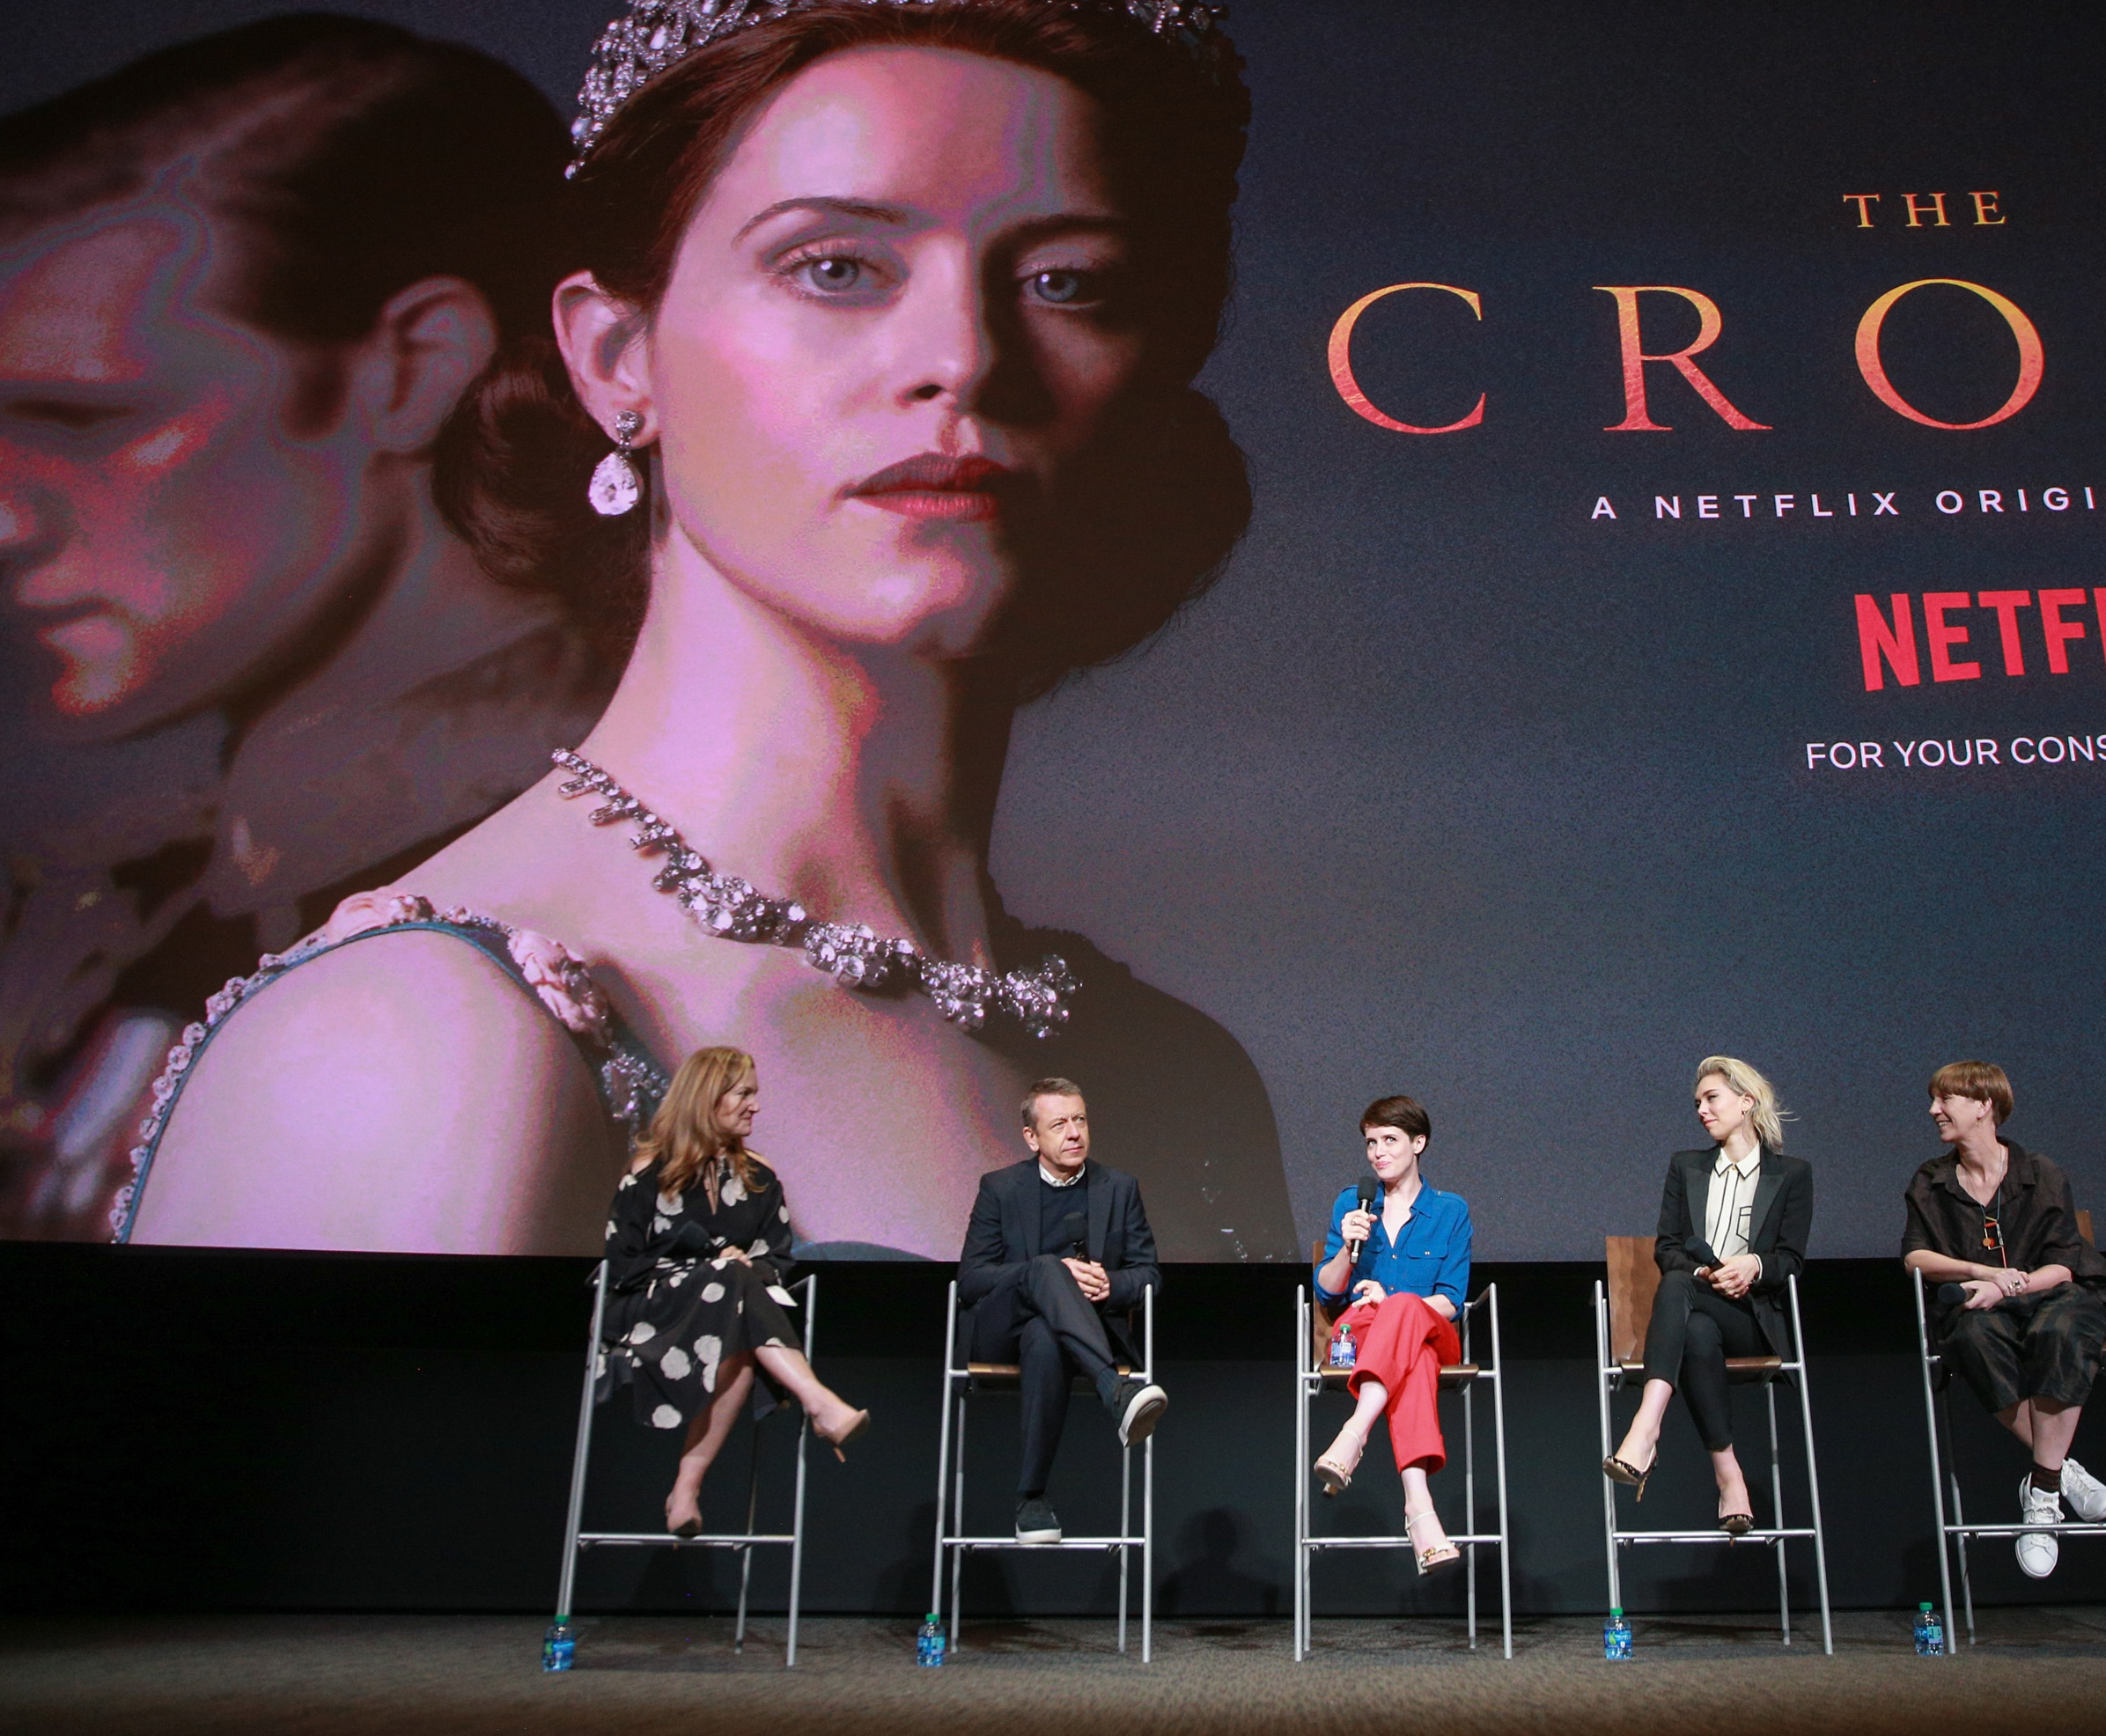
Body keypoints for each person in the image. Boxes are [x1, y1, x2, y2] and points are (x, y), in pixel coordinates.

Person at [114, 0, 1295, 1260]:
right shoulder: (423, 1038)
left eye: (1068, 282)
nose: (965, 360)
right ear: (617, 355)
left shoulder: (1176, 1070)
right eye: (837, 266)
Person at [0, 16, 609, 1244]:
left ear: (411, 368)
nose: (7, 517)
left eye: (81, 415)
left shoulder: (591, 903)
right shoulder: (101, 916)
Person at [601, 1045, 869, 1539]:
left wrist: (743, 1269)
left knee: (740, 1323)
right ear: (708, 1098)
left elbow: (778, 1258)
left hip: (729, 1319)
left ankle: (686, 1490)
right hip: (649, 1314)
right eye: (744, 1094)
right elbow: (624, 1265)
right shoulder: (647, 1174)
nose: (756, 1106)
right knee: (730, 1283)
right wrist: (709, 1268)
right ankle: (817, 1402)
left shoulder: (760, 1178)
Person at [1902, 1059, 2106, 1579]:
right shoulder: (1932, 1181)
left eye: (1945, 1100)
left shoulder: (2040, 1172)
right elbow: (1915, 1258)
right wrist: (1984, 1273)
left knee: (2060, 1331)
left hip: (2052, 1295)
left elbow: (2063, 1263)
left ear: (1984, 1106)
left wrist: (2012, 1283)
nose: (1934, 1110)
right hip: (1977, 1302)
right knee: (1972, 1338)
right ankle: (2060, 1472)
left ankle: (2041, 1492)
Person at [1601, 1056, 1815, 1534]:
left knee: (1684, 1295)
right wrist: (1706, 1271)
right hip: (1698, 1302)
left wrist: (1752, 1266)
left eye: (1711, 1098)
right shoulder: (1687, 1167)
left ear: (1746, 1102)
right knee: (1691, 1317)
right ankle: (1728, 1475)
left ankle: (1644, 1430)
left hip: (1751, 1319)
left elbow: (1790, 1261)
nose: (1701, 1109)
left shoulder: (1792, 1175)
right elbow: (1668, 1249)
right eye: (1697, 1102)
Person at [956, 1076, 1168, 1543]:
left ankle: (1032, 1498)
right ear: (1032, 1138)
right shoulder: (1000, 1188)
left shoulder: (1119, 1187)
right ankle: (1115, 1388)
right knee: (1047, 1269)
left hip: (1063, 1339)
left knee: (1045, 1338)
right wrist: (1043, 1273)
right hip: (1001, 1331)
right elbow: (971, 1280)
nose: (1074, 1133)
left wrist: (1109, 1284)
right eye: (1059, 1124)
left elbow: (1149, 1275)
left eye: (1080, 1120)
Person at [1312, 1094, 1472, 1575]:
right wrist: (1348, 1246)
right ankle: (1420, 1510)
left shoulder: (1450, 1210)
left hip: (1432, 1328)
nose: (1377, 1152)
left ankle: (1354, 1433)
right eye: (1370, 1142)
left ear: (1418, 1143)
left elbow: (1451, 1299)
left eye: (1389, 1140)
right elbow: (1327, 1291)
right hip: (1362, 1334)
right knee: (1414, 1364)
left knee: (1405, 1308)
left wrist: (1396, 1304)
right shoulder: (1352, 1202)